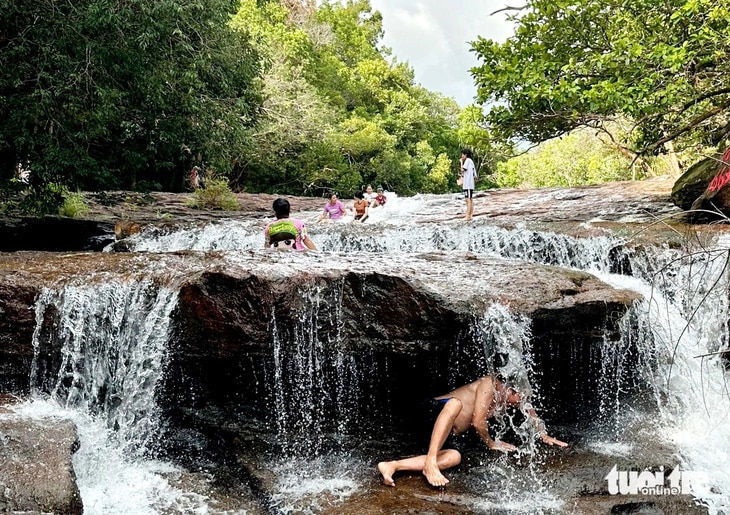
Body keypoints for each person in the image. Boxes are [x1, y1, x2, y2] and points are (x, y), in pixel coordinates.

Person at [377, 375, 567, 488]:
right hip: (430, 412)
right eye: (521, 395)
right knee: (455, 403)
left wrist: (543, 434)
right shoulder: (489, 383)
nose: (522, 400)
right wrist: (491, 443)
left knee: (454, 457)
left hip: (441, 433)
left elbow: (530, 412)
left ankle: (393, 465)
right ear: (510, 389)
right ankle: (431, 464)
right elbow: (477, 421)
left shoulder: (511, 399)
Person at [459, 149, 478, 221]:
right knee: (469, 199)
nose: (461, 156)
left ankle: (468, 216)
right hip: (469, 184)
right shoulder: (471, 162)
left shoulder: (467, 161)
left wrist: (461, 162)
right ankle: (470, 215)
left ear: (465, 155)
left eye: (462, 154)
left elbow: (462, 169)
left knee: (468, 199)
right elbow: (475, 175)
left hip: (468, 184)